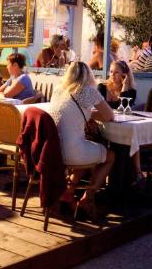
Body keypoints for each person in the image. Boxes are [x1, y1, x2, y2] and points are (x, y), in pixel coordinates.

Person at [49, 62, 116, 218]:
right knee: (110, 156)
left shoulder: (59, 90)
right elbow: (109, 116)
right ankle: (88, 196)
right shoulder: (87, 91)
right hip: (73, 151)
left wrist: (87, 114)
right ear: (88, 76)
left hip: (55, 151)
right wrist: (90, 114)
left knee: (87, 151)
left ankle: (69, 191)